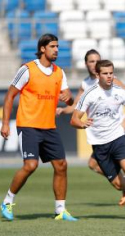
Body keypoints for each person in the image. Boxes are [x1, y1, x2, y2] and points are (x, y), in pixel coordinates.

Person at [56, 49, 125, 206]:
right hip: (99, 137)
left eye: (97, 60)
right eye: (91, 61)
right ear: (86, 64)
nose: (94, 63)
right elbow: (77, 105)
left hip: (115, 132)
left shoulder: (110, 79)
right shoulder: (86, 84)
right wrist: (64, 110)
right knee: (93, 164)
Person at [1, 34, 77, 221]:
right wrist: (4, 123)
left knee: (61, 165)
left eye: (57, 46)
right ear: (43, 49)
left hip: (49, 126)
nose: (56, 50)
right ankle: (8, 201)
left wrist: (70, 99)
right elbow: (10, 96)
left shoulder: (60, 72)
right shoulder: (27, 69)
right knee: (31, 165)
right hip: (28, 125)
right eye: (52, 46)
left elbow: (69, 97)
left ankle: (60, 210)